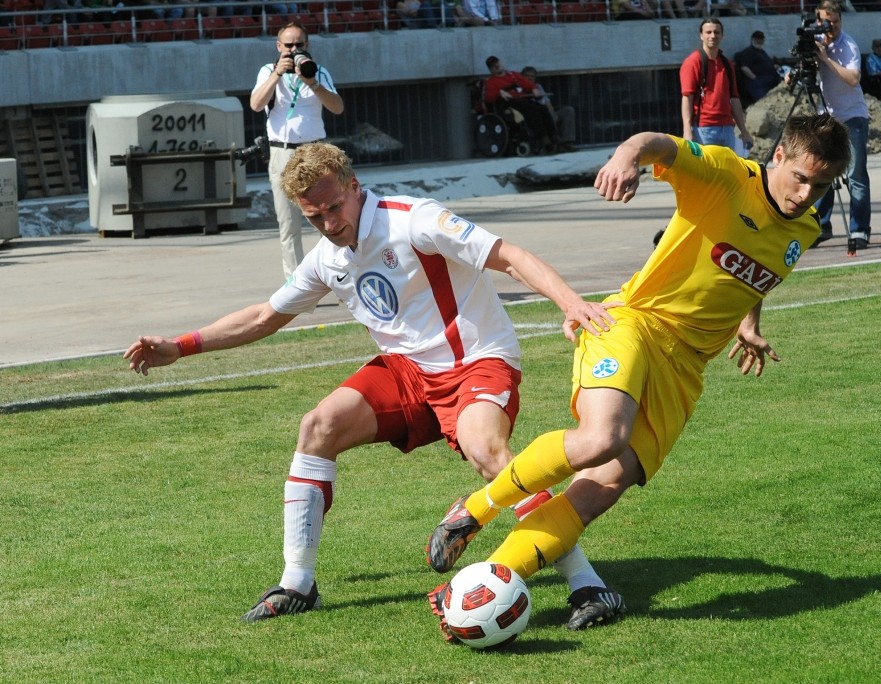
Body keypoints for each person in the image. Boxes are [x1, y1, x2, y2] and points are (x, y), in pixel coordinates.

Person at [123, 142, 620, 626]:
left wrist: (571, 303)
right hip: (406, 371)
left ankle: (586, 583)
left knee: (488, 452)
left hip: (476, 361)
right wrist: (182, 345)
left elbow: (508, 255)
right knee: (319, 425)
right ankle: (297, 584)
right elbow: (263, 316)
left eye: (334, 208)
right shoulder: (327, 258)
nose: (329, 224)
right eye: (314, 217)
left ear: (354, 187)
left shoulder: (414, 219)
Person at [425, 115, 852, 639]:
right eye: (802, 178)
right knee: (602, 438)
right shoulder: (724, 174)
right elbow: (658, 145)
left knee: (602, 485)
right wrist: (626, 157)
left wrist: (748, 324)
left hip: (686, 368)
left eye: (822, 185)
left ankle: (482, 589)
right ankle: (472, 511)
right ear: (779, 156)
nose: (807, 194)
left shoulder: (805, 229)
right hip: (634, 322)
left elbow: (752, 275)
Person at [250, 22, 344, 280]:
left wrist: (312, 82)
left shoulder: (319, 72)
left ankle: (338, 277)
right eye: (288, 45)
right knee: (288, 224)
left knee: (331, 216)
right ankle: (297, 284)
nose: (293, 50)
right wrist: (277, 74)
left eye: (299, 45)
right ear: (278, 47)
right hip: (282, 152)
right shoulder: (268, 71)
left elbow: (337, 107)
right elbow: (256, 104)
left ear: (308, 45)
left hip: (315, 151)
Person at [811, 0, 872, 251]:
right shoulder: (815, 41)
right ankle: (821, 225)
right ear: (818, 21)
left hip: (852, 117)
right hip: (826, 117)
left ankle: (859, 229)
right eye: (827, 22)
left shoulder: (848, 45)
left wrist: (826, 58)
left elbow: (853, 78)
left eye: (835, 22)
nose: (832, 27)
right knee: (822, 171)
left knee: (855, 176)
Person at [679, 18, 753, 153]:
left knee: (726, 172)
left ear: (722, 35)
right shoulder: (693, 62)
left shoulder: (727, 64)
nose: (713, 36)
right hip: (703, 129)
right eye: (708, 32)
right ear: (701, 35)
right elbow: (687, 97)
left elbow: (734, 99)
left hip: (728, 128)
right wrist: (687, 130)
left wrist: (744, 131)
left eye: (716, 32)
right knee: (705, 172)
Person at [483, 55, 569, 153]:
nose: (496, 66)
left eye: (497, 63)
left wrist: (534, 88)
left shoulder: (513, 75)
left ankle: (554, 136)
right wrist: (499, 92)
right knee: (532, 108)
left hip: (523, 100)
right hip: (510, 104)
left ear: (501, 62)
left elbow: (527, 84)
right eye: (493, 66)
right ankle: (543, 138)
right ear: (490, 70)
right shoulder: (491, 81)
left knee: (542, 108)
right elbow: (488, 97)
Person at [520, 65, 576, 147]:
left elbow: (547, 102)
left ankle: (567, 142)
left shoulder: (538, 87)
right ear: (522, 77)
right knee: (546, 116)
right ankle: (552, 143)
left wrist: (552, 113)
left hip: (548, 112)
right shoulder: (520, 89)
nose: (530, 78)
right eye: (527, 76)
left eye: (532, 76)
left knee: (568, 110)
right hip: (536, 117)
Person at [734, 30, 781, 106]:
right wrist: (755, 79)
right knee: (763, 102)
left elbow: (767, 63)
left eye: (761, 39)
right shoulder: (748, 52)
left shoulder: (762, 52)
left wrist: (774, 66)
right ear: (753, 39)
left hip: (771, 78)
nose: (760, 41)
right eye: (758, 39)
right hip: (758, 82)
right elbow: (744, 68)